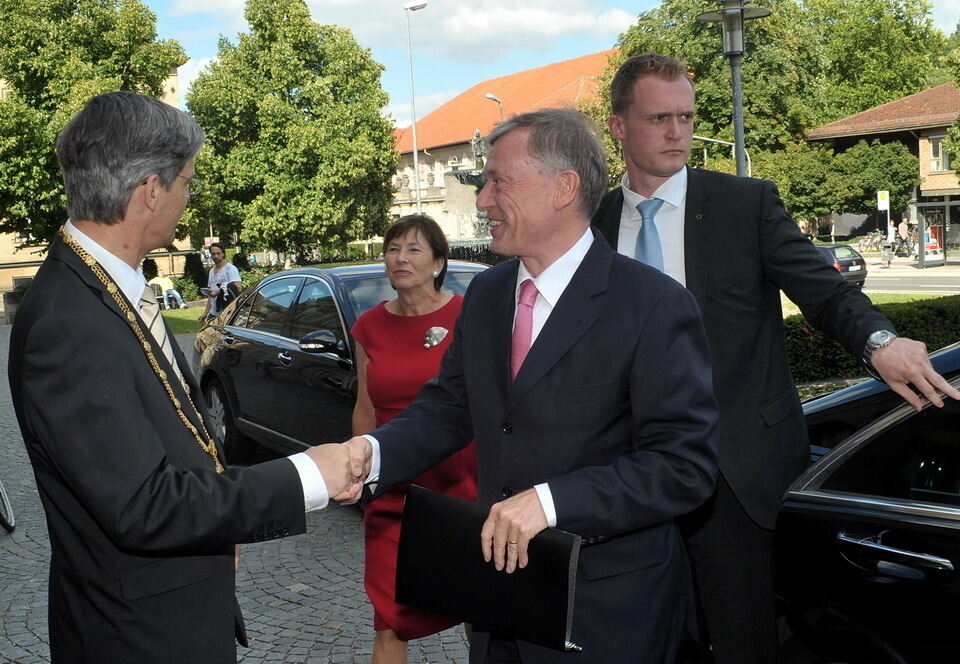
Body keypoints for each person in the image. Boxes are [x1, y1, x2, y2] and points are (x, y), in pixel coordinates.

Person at [591, 52, 960, 664]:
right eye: (660, 118)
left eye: (686, 116)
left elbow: (826, 294)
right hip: (630, 476)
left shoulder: (744, 204)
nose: (679, 132)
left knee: (742, 645)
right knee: (648, 642)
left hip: (736, 476)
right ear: (618, 126)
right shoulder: (593, 223)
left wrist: (880, 343)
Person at [341, 108, 720, 663]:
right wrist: (368, 454)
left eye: (499, 180)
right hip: (499, 606)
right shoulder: (490, 295)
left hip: (607, 613)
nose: (483, 200)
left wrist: (550, 501)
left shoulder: (652, 305)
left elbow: (684, 466)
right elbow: (448, 409)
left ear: (563, 187)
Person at [6, 91, 361, 664]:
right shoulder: (69, 322)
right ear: (151, 189)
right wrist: (304, 477)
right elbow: (143, 504)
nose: (187, 199)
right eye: (186, 183)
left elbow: (171, 436)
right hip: (138, 636)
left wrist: (220, 524)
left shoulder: (101, 288)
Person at [351, 214, 478, 664]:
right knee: (389, 619)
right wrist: (359, 475)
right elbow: (365, 409)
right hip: (393, 488)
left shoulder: (467, 315)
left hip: (460, 487)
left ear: (439, 262)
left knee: (477, 607)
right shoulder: (367, 326)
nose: (400, 258)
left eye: (414, 249)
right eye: (392, 249)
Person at [198, 241, 242, 321]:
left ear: (223, 254)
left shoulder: (230, 269)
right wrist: (205, 313)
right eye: (213, 254)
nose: (216, 256)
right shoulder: (211, 271)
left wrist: (219, 292)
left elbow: (238, 288)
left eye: (218, 253)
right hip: (213, 313)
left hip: (227, 312)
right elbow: (210, 297)